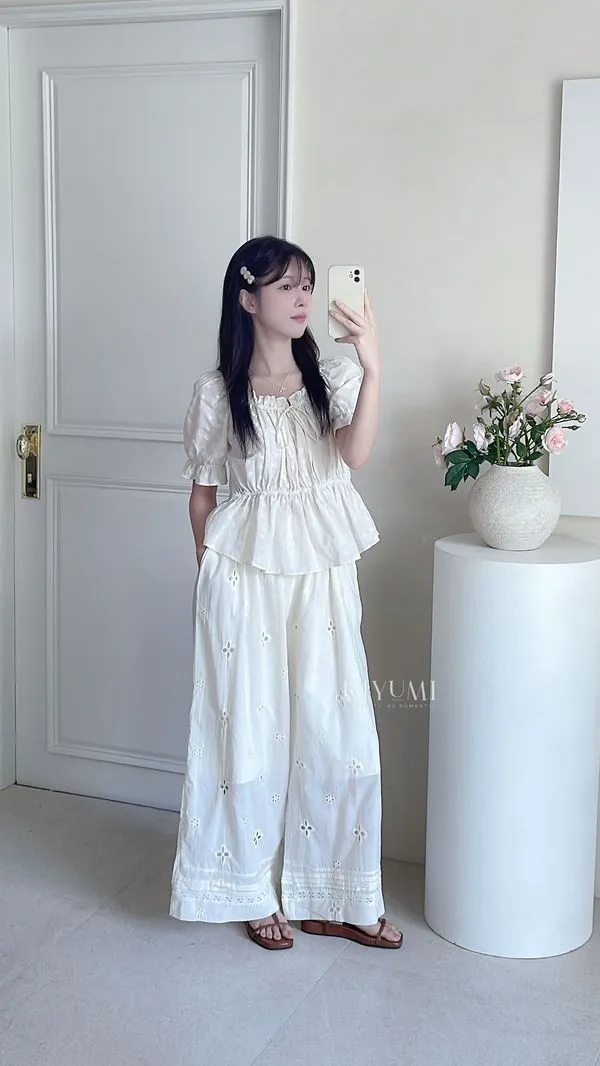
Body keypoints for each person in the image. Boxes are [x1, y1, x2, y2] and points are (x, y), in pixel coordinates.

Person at [169, 235, 403, 951]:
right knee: (247, 727)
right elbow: (203, 493)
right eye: (285, 286)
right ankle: (248, 888)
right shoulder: (218, 393)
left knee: (337, 728)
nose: (303, 298)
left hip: (321, 572)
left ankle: (336, 896)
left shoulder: (332, 375)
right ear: (247, 299)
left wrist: (373, 363)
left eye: (306, 284)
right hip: (243, 575)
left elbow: (356, 455)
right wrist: (209, 571)